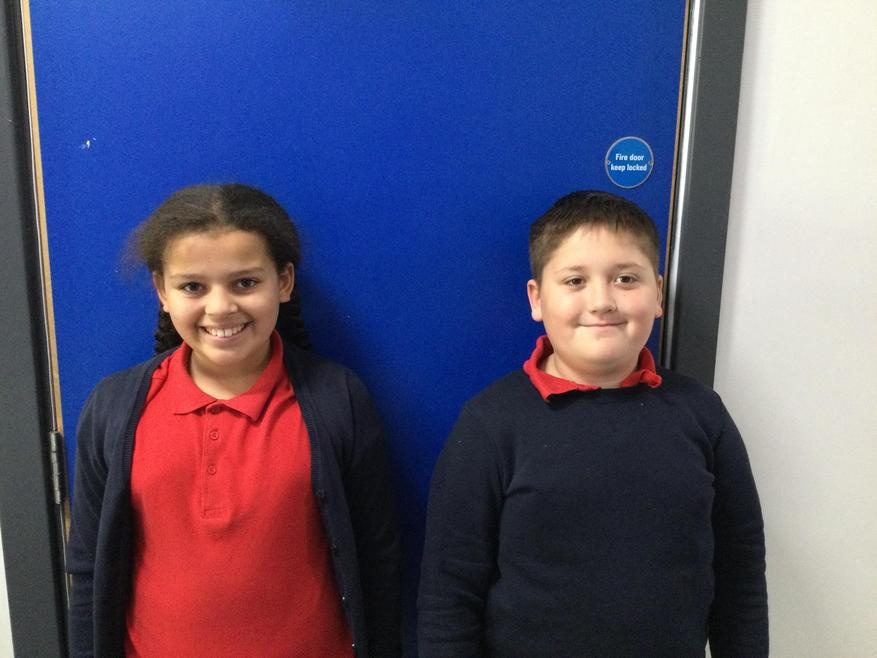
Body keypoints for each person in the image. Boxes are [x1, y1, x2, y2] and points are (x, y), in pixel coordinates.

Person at [417, 190, 767, 657]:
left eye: (626, 278)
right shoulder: (490, 425)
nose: (602, 301)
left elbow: (741, 575)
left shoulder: (703, 415)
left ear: (658, 294)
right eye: (575, 281)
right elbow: (448, 596)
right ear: (537, 298)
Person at [66, 184, 400, 657]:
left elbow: (377, 558)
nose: (220, 307)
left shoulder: (337, 398)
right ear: (162, 291)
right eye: (193, 287)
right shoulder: (113, 408)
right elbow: (88, 568)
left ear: (284, 282)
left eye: (245, 283)